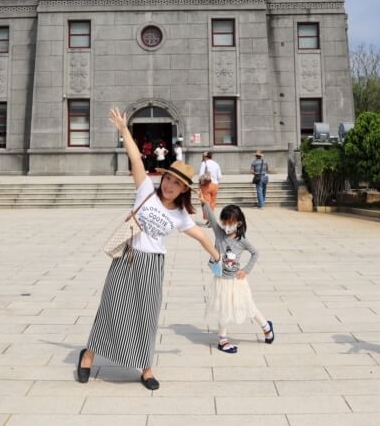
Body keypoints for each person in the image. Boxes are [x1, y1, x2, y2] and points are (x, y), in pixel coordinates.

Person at [77, 108, 221, 391]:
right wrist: (123, 129)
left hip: (152, 266)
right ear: (163, 178)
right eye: (168, 179)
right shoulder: (145, 191)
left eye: (177, 184)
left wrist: (219, 258)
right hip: (128, 260)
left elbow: (201, 237)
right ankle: (89, 355)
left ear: (183, 190)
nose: (169, 185)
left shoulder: (180, 216)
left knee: (147, 315)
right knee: (111, 307)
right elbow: (134, 157)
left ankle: (146, 367)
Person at [204, 203, 274, 353]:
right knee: (224, 308)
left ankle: (266, 327)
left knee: (247, 305)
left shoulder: (242, 241)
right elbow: (211, 217)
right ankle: (222, 340)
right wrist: (204, 202)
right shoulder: (219, 234)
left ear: (238, 223)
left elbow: (255, 253)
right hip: (221, 280)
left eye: (230, 223)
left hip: (237, 280)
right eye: (224, 222)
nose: (227, 226)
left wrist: (246, 270)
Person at [197, 151, 222, 224]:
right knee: (212, 202)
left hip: (207, 185)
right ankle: (210, 219)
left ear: (205, 156)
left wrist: (199, 185)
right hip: (215, 185)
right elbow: (219, 176)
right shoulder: (216, 164)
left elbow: (201, 175)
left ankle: (209, 220)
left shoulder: (204, 163)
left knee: (205, 202)